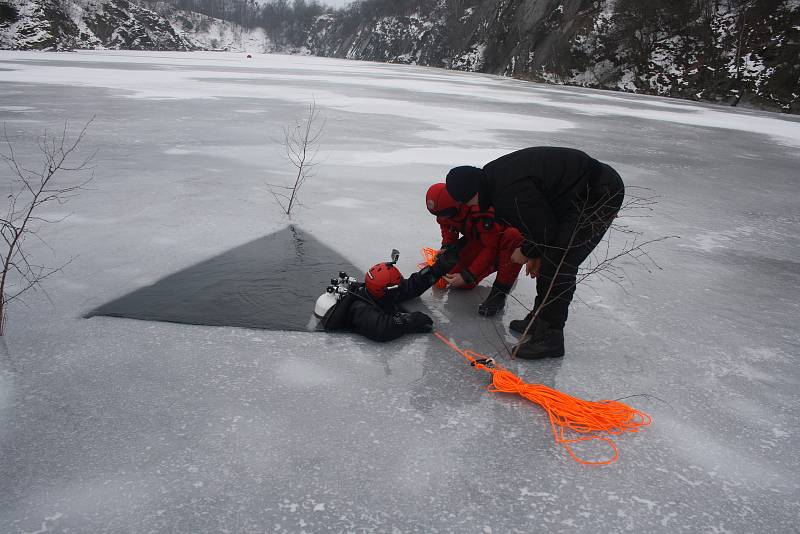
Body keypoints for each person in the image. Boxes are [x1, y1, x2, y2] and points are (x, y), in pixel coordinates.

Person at [445, 147, 625, 359]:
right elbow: (537, 218)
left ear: (472, 194)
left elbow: (545, 231)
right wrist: (536, 251)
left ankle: (551, 338)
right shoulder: (492, 178)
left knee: (559, 263)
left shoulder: (508, 193)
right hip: (574, 193)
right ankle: (540, 320)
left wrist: (527, 251)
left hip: (598, 193)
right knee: (550, 256)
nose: (469, 207)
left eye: (465, 202)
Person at [318, 246, 462, 342]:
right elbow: (382, 329)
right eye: (397, 287)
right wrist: (411, 320)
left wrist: (437, 269)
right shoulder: (360, 309)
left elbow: (411, 286)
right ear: (386, 291)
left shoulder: (378, 292)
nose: (400, 288)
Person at [426, 183, 524, 316]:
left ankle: (500, 290)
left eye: (447, 214)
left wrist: (468, 275)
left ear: (459, 203)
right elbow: (447, 227)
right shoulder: (445, 211)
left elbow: (490, 247)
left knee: (513, 236)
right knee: (459, 283)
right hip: (479, 238)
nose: (444, 217)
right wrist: (447, 247)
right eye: (440, 214)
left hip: (503, 242)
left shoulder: (480, 209)